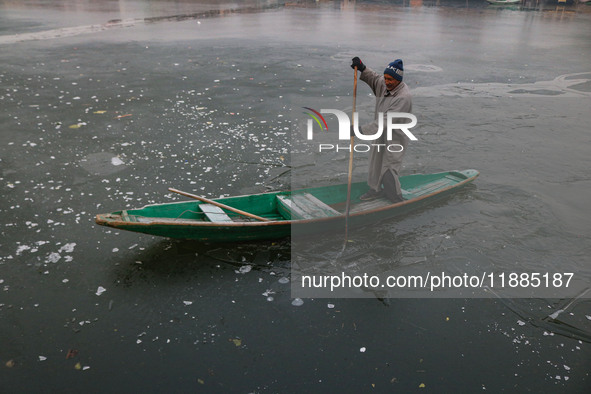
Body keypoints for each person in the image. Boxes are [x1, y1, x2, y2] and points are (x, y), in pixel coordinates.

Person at [350, 57, 413, 203]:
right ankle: (375, 190)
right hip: (380, 134)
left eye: (391, 79)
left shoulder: (403, 97)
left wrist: (359, 130)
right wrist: (362, 67)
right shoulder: (385, 84)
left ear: (399, 79)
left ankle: (396, 198)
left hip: (395, 136)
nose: (387, 82)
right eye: (386, 78)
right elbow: (375, 79)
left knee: (389, 168)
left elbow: (384, 122)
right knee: (376, 163)